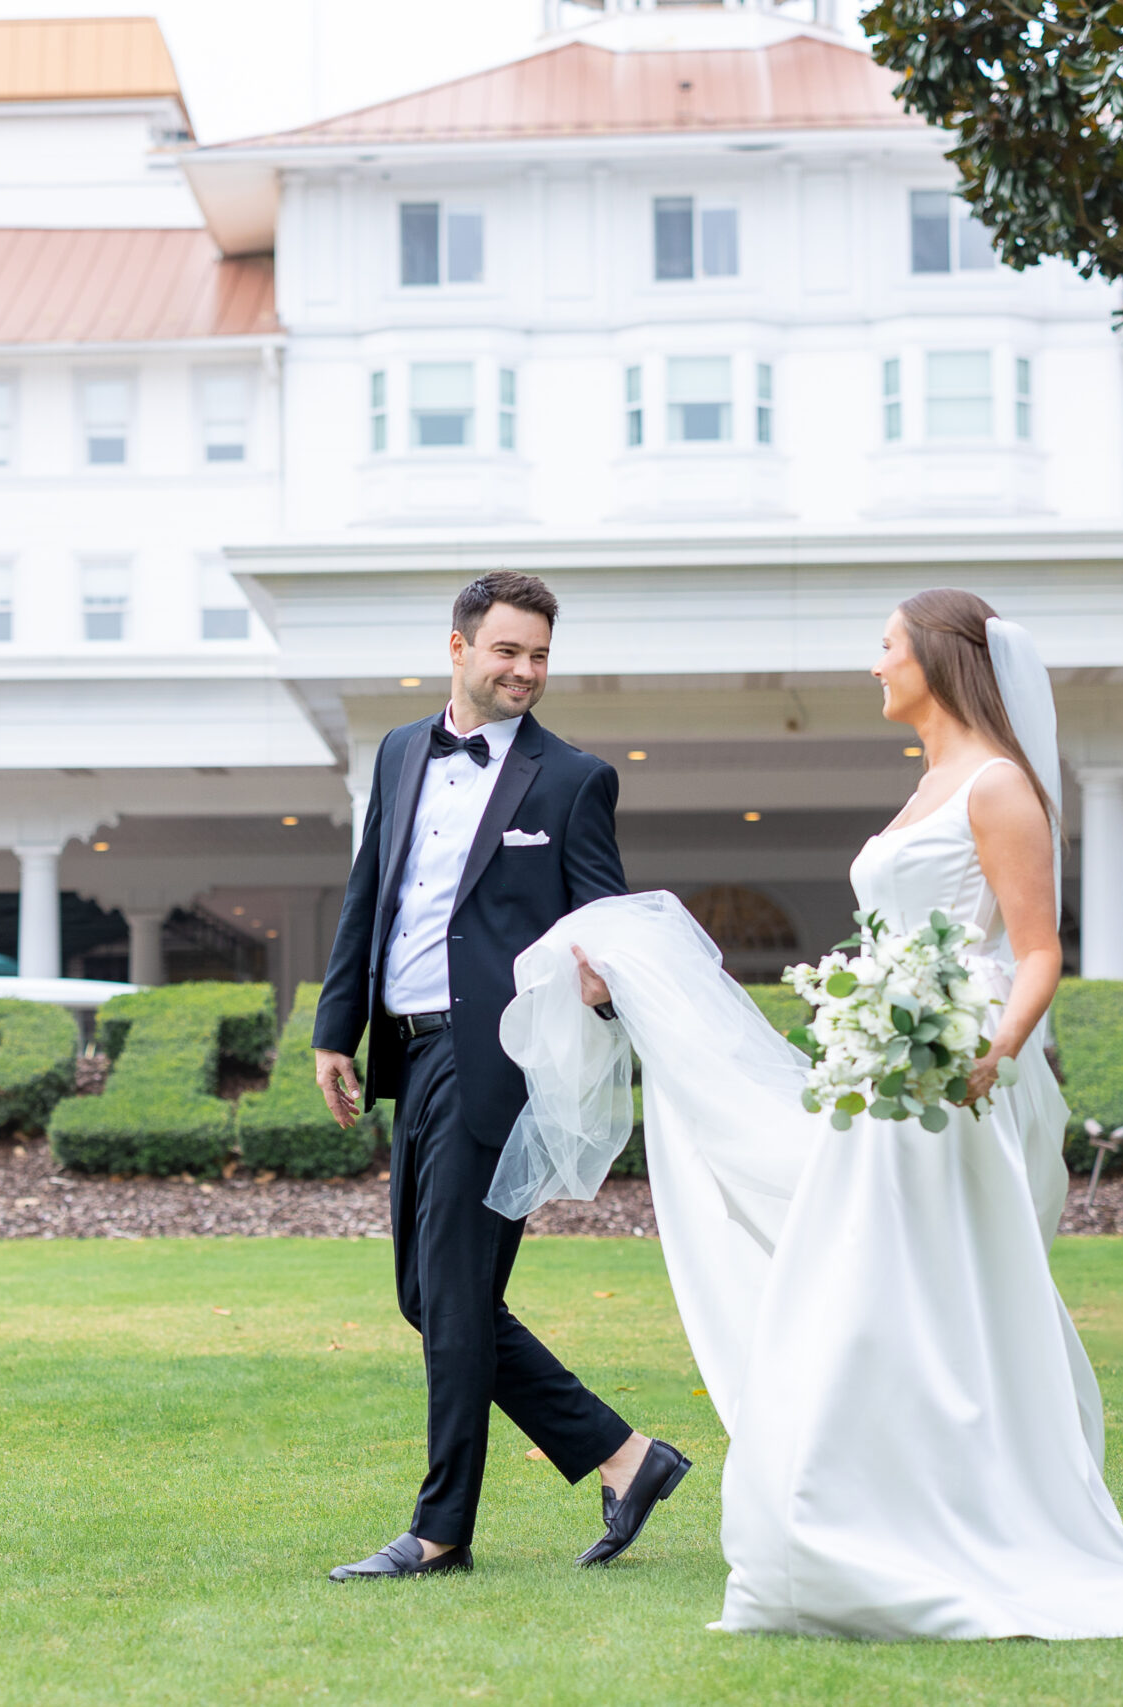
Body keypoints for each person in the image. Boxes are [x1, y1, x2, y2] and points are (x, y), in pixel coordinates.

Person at [494, 588, 1123, 1640]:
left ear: (939, 659)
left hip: (943, 1089)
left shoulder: (998, 786)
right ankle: (850, 1526)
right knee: (864, 1300)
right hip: (877, 1081)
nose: (875, 664)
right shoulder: (929, 783)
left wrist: (988, 1049)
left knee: (910, 1303)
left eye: (888, 646)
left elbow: (1036, 951)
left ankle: (933, 1522)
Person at [311, 571, 692, 1581]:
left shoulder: (573, 780)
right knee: (433, 1297)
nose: (525, 671)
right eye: (508, 651)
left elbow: (606, 921)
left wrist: (606, 988)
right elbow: (369, 892)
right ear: (459, 648)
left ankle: (440, 1531)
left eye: (540, 656)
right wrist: (336, 1027)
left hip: (497, 1064)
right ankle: (625, 1457)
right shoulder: (400, 751)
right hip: (409, 1053)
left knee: (450, 1296)